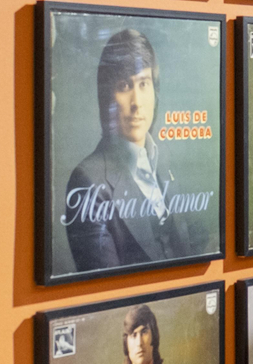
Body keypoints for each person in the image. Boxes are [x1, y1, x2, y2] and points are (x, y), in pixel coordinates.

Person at [63, 29, 196, 273]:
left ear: (155, 92)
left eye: (144, 84)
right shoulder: (88, 180)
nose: (136, 102)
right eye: (124, 85)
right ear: (107, 97)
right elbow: (106, 288)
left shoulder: (166, 160)